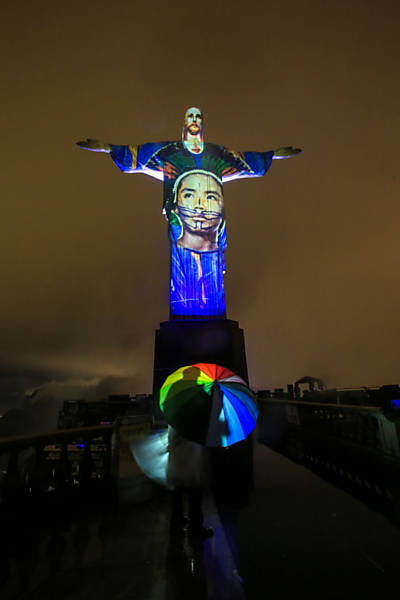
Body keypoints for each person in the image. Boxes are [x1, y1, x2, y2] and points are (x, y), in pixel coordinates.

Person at [77, 107, 301, 318]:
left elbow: (245, 161)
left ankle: (212, 319)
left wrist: (273, 154)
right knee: (185, 279)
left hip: (212, 234)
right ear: (183, 123)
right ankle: (186, 317)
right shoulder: (169, 153)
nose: (194, 120)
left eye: (198, 117)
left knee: (212, 283)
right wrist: (108, 148)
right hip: (182, 233)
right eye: (190, 116)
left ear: (203, 123)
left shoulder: (217, 154)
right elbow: (137, 156)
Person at [167, 425, 213, 539]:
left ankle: (176, 527)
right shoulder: (196, 424)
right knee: (195, 502)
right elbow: (197, 447)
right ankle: (195, 530)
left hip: (175, 467)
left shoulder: (174, 420)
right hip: (190, 469)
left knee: (177, 501)